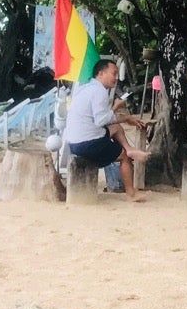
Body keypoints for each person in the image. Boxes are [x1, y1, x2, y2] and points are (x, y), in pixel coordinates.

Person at [63, 57, 148, 202]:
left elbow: (104, 118)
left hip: (74, 142)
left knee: (115, 127)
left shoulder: (86, 88)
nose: (116, 78)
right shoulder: (99, 91)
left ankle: (129, 148)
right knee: (124, 157)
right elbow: (101, 120)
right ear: (101, 74)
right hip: (88, 143)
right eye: (113, 74)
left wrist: (118, 112)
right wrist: (125, 117)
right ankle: (131, 193)